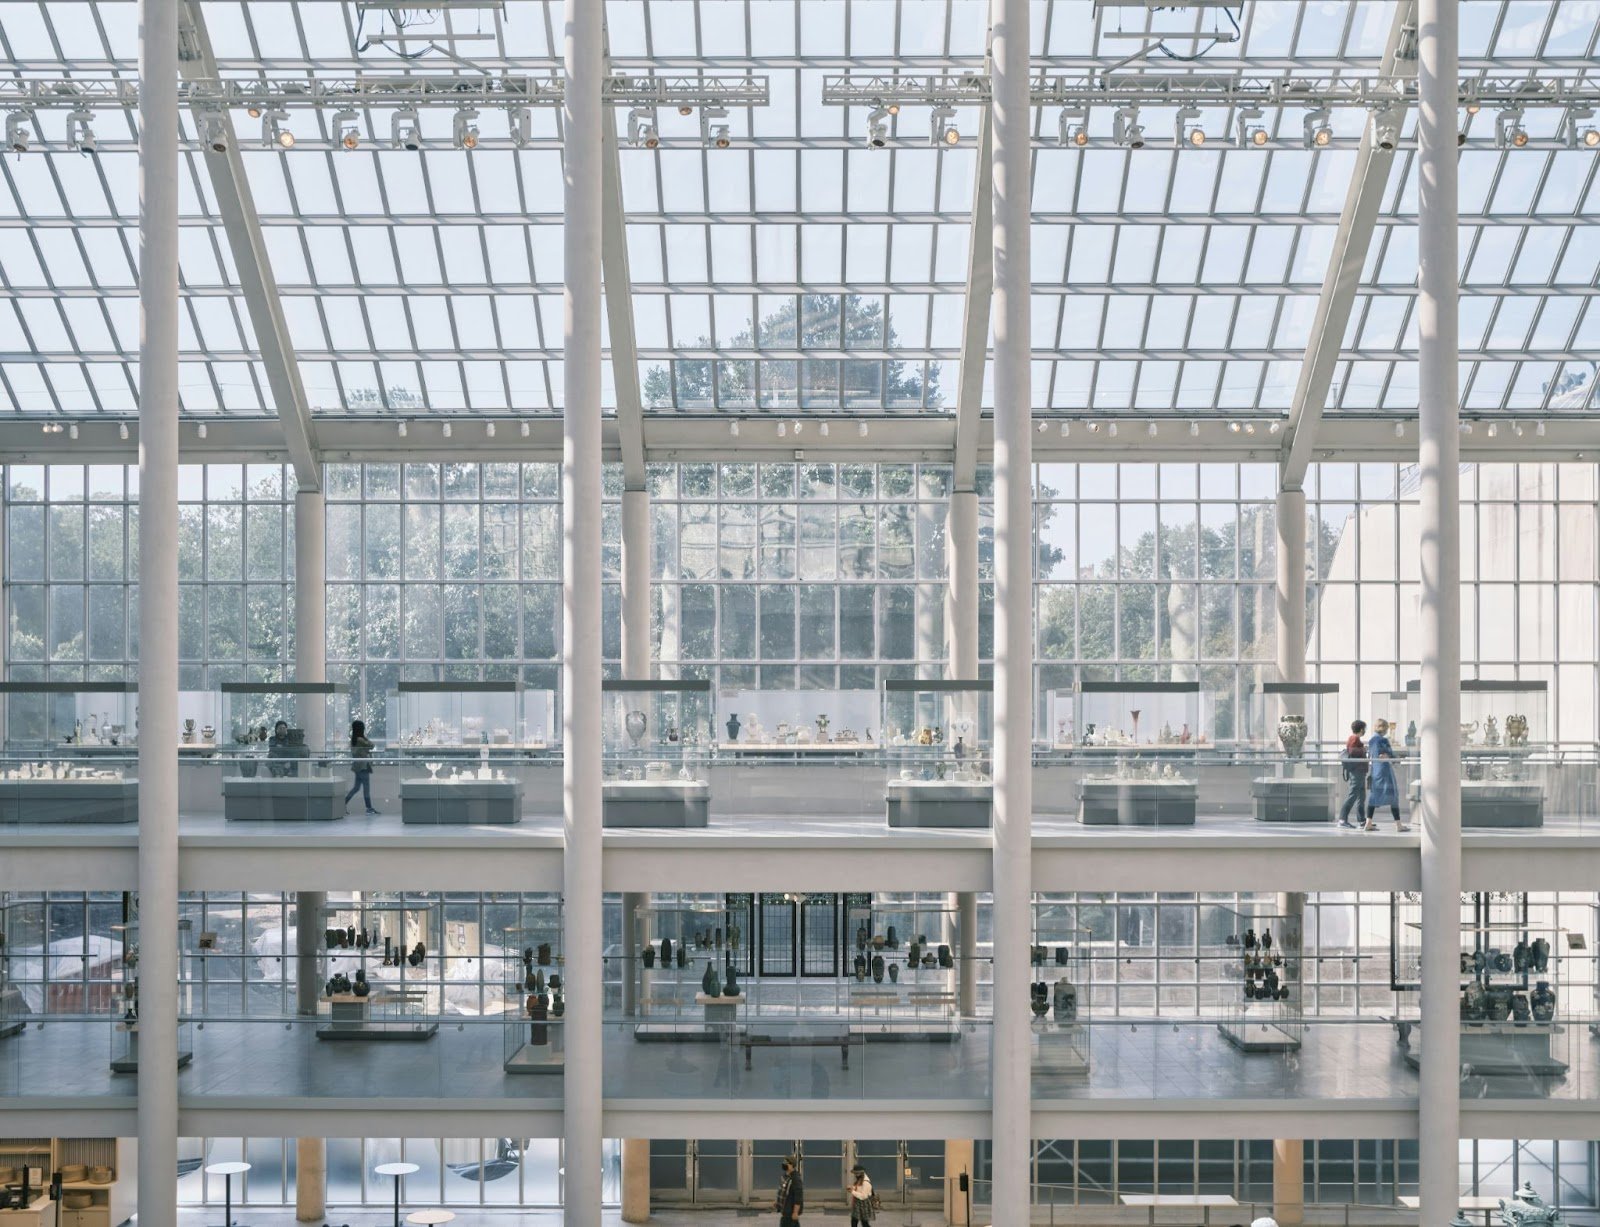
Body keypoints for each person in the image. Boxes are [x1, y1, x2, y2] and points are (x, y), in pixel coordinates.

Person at [1364, 718, 1409, 832]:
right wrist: (1396, 759)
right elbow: (1389, 754)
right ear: (1383, 728)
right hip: (1385, 771)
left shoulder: (1371, 740)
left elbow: (1376, 755)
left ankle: (1368, 823)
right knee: (1393, 797)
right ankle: (1398, 825)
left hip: (1375, 771)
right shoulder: (1383, 740)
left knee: (1373, 797)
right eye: (1386, 729)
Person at [344, 719, 379, 814]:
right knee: (366, 788)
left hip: (358, 765)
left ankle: (343, 803)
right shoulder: (360, 739)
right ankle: (369, 808)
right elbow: (371, 745)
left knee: (356, 788)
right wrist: (366, 738)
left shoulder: (354, 739)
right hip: (363, 766)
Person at [1337, 719, 1368, 828]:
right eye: (1364, 728)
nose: (1365, 731)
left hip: (1360, 772)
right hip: (1357, 772)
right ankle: (1342, 819)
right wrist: (1364, 750)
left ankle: (1362, 821)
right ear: (1361, 729)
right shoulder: (1354, 738)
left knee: (1361, 797)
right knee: (1353, 795)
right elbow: (1352, 752)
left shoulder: (1356, 738)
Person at [774, 1156, 804, 1226]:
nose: (784, 1164)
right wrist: (778, 1203)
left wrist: (795, 1212)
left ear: (792, 1165)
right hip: (785, 1210)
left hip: (790, 1211)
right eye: (783, 1162)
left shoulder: (796, 1179)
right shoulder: (785, 1176)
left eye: (786, 1163)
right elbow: (782, 1191)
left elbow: (798, 1197)